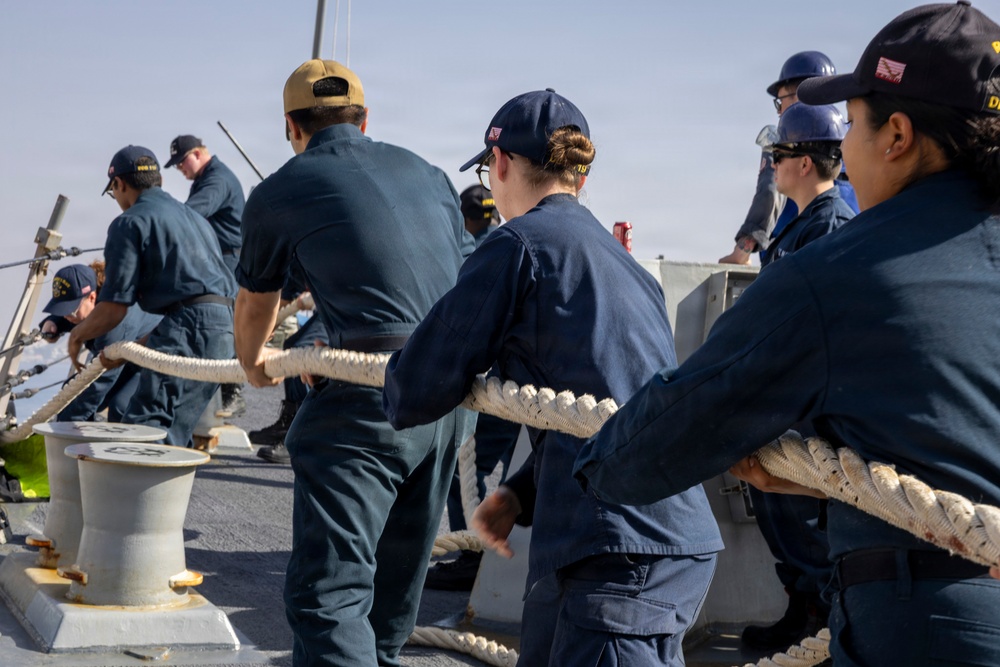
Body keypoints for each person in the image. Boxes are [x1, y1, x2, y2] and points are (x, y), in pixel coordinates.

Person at [575, 3, 1000, 665]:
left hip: (934, 626)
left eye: (853, 123)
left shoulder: (838, 272)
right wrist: (821, 479)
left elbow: (663, 436)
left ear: (896, 135)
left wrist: (587, 469)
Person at [383, 89, 723, 666]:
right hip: (655, 539)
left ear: (501, 164)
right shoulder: (628, 269)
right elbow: (611, 402)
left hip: (616, 554)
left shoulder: (516, 247)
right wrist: (520, 492)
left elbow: (414, 390)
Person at [233, 59, 475, 666]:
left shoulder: (282, 188)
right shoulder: (430, 173)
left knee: (329, 597)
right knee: (392, 595)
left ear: (290, 126)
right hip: (449, 403)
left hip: (368, 406)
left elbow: (255, 305)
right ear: (366, 119)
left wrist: (260, 365)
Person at [740, 101, 856, 652]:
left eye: (778, 157)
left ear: (804, 164)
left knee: (807, 526)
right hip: (786, 402)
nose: (772, 167)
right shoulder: (801, 226)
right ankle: (804, 613)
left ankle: (829, 628)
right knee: (777, 511)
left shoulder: (829, 226)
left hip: (811, 408)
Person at [67, 145, 236, 447]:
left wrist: (77, 335)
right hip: (226, 329)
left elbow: (115, 308)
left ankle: (130, 496)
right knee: (175, 434)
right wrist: (133, 348)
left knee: (145, 431)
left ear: (119, 184)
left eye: (113, 191)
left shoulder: (129, 222)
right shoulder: (194, 218)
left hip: (189, 329)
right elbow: (200, 296)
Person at [423, 183, 520, 591]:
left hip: (493, 386)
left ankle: (473, 557)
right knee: (521, 473)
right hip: (529, 386)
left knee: (466, 470)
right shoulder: (509, 238)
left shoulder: (471, 250)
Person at [720, 51, 859, 265]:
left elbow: (769, 193)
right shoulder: (851, 139)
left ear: (801, 94)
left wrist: (741, 253)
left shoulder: (785, 140)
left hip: (794, 254)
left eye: (780, 101)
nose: (779, 112)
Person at [165, 134, 248, 417]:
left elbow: (192, 214)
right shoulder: (207, 179)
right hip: (218, 258)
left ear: (198, 154)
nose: (180, 169)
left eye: (181, 162)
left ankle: (233, 393)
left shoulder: (216, 180)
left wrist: (158, 219)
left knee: (228, 323)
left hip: (229, 260)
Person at [40, 262, 161, 422]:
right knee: (71, 392)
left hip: (155, 358)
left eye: (69, 311)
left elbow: (101, 379)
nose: (66, 316)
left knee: (122, 409)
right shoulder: (94, 291)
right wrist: (55, 322)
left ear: (92, 297)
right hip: (127, 354)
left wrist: (67, 426)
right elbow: (80, 311)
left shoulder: (116, 319)